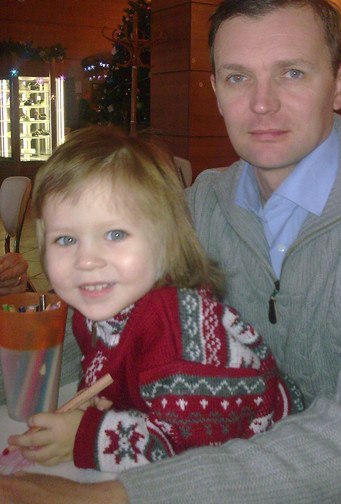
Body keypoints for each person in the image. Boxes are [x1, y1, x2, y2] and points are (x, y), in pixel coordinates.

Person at [0, 0, 341, 503]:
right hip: (235, 450)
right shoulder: (201, 203)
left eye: (292, 73)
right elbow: (104, 314)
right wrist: (28, 332)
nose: (262, 104)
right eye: (238, 77)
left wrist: (112, 497)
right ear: (216, 90)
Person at [6, 126, 302, 472]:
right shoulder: (96, 311)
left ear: (164, 243)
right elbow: (110, 377)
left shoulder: (174, 326)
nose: (86, 261)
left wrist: (84, 435)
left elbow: (188, 449)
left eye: (115, 234)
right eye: (66, 240)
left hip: (268, 455)